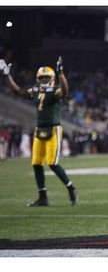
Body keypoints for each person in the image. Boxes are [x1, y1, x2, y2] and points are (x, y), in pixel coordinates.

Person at [0, 57, 78, 207]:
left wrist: (61, 74)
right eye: (41, 78)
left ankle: (71, 189)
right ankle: (43, 197)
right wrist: (6, 75)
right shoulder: (36, 90)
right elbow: (17, 92)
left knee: (52, 163)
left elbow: (65, 91)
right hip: (39, 129)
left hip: (53, 129)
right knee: (36, 163)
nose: (43, 80)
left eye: (46, 78)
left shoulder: (55, 90)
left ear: (52, 78)